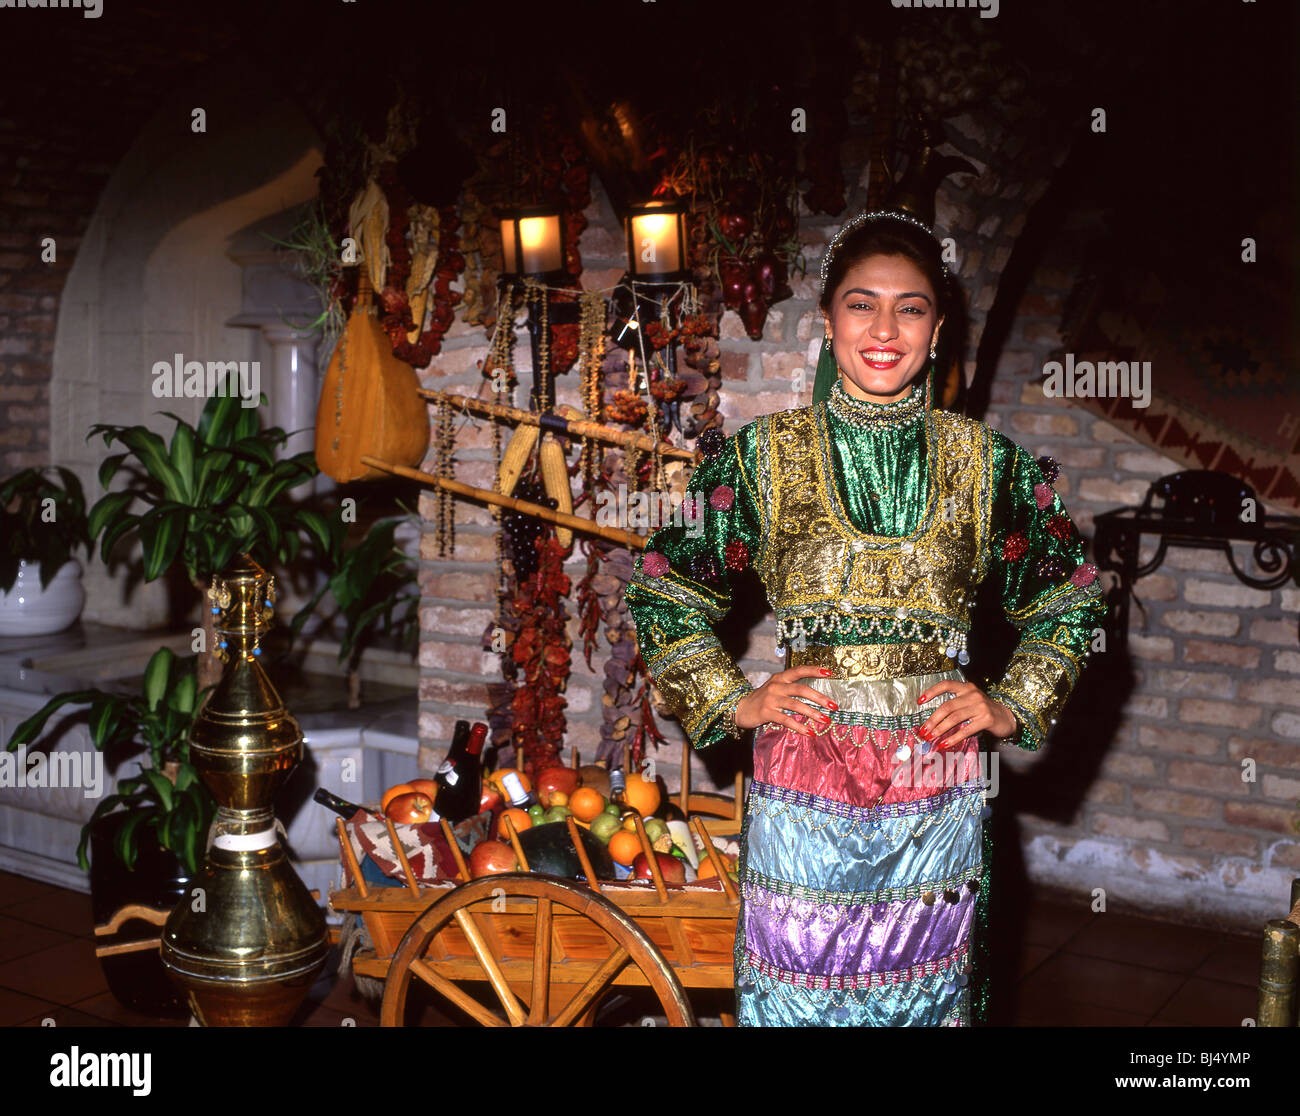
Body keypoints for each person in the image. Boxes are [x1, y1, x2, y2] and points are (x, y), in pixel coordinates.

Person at [624, 209, 1106, 1027]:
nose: (885, 329)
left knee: (927, 994)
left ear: (938, 327)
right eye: (861, 304)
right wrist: (734, 698)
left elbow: (1073, 592)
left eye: (910, 307)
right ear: (828, 321)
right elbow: (666, 584)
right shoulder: (762, 457)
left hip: (936, 777)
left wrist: (1009, 702)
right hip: (806, 773)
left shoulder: (990, 465)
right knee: (798, 988)